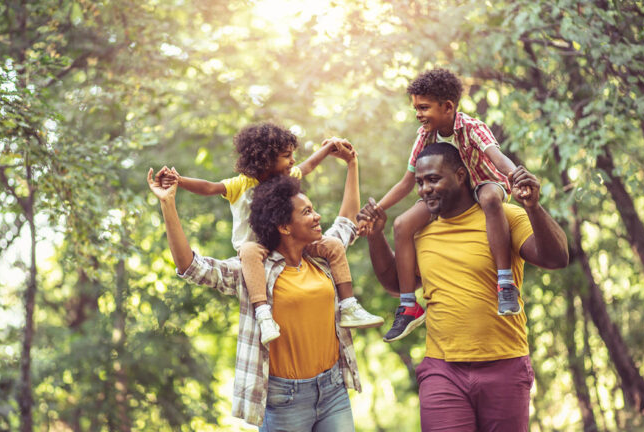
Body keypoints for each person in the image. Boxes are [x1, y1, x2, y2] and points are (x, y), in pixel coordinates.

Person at [360, 142, 569, 431]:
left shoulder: (503, 217)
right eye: (420, 182)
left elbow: (556, 258)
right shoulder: (418, 231)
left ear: (460, 175)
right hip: (443, 371)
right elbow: (397, 284)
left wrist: (533, 207)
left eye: (433, 179)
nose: (424, 189)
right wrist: (375, 237)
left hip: (505, 365)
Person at [147, 155, 364, 430]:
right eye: (307, 212)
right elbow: (191, 266)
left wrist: (352, 164)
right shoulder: (254, 271)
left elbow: (347, 222)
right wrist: (168, 203)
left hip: (333, 390)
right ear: (284, 227)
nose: (318, 215)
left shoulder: (323, 258)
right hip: (285, 399)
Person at [161, 123, 382, 347]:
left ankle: (349, 305)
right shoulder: (242, 184)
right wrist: (177, 184)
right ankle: (263, 315)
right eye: (287, 156)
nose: (293, 161)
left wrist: (335, 151)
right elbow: (209, 188)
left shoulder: (315, 252)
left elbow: (311, 167)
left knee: (333, 244)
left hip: (330, 378)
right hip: (255, 254)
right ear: (265, 159)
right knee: (249, 251)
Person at [358, 68, 527, 343]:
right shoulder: (425, 135)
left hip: (484, 183)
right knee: (402, 225)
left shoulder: (472, 128)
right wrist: (379, 209)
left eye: (424, 107)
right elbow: (406, 182)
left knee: (490, 199)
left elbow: (497, 158)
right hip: (449, 193)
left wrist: (516, 177)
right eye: (416, 108)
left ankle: (505, 282)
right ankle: (408, 304)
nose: (418, 114)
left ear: (447, 107)